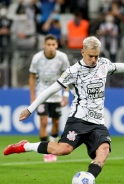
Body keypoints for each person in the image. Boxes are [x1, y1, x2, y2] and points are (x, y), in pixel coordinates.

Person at [3, 36, 124, 179]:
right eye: (91, 56)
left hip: (98, 123)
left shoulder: (103, 64)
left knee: (104, 150)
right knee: (63, 149)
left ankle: (88, 178)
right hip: (78, 120)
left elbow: (117, 67)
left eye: (96, 56)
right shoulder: (73, 71)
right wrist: (30, 109)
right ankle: (25, 146)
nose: (94, 60)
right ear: (82, 52)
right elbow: (49, 91)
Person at [29, 34, 70, 162]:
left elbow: (67, 76)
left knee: (56, 122)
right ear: (44, 45)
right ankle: (46, 151)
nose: (51, 47)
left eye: (53, 45)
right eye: (49, 45)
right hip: (42, 93)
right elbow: (32, 76)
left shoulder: (62, 57)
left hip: (57, 94)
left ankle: (52, 147)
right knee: (44, 121)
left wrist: (66, 94)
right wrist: (33, 96)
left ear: (56, 45)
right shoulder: (37, 58)